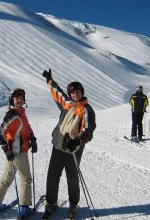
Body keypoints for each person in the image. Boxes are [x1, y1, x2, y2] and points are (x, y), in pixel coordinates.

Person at [41, 69, 96, 217]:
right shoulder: (67, 104)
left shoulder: (86, 110)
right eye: (72, 93)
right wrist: (50, 81)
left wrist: (78, 141)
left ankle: (73, 204)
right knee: (52, 175)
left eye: (77, 92)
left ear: (82, 92)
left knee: (72, 177)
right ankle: (51, 202)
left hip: (73, 149)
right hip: (58, 145)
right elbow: (57, 93)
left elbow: (89, 130)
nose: (74, 95)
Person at [0, 88, 38, 219]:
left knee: (7, 178)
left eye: (21, 97)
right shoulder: (14, 115)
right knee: (26, 179)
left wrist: (32, 138)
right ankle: (23, 209)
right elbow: (0, 132)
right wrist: (7, 149)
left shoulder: (19, 113)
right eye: (17, 98)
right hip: (18, 152)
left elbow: (26, 127)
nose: (20, 100)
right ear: (12, 100)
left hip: (13, 153)